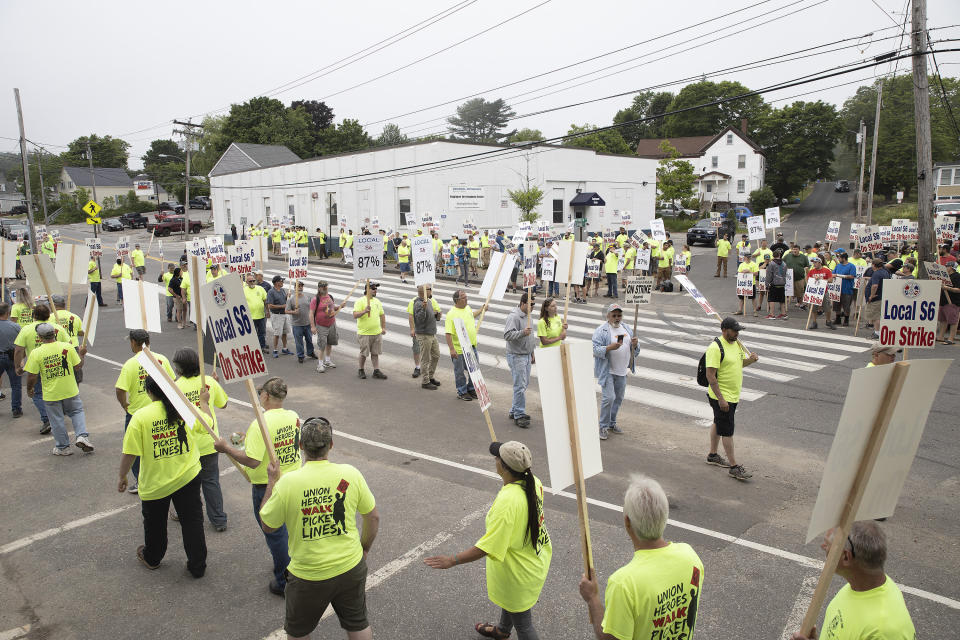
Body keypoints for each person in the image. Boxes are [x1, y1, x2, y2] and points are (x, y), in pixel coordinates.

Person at [256, 417, 379, 639]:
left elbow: (268, 525)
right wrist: (365, 548)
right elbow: (373, 517)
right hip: (350, 565)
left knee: (298, 632)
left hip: (308, 575)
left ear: (300, 446)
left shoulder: (288, 483)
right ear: (331, 445)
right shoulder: (350, 474)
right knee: (358, 624)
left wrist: (272, 481)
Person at [425, 441, 551, 640]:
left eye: (497, 457)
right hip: (533, 558)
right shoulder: (532, 481)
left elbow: (487, 546)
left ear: (504, 467)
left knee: (525, 626)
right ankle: (502, 630)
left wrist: (452, 560)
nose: (495, 459)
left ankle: (504, 629)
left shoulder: (509, 502)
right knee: (510, 603)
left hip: (518, 573)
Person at [578, 474, 704, 640]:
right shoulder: (691, 558)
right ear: (665, 516)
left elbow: (609, 638)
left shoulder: (624, 583)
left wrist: (593, 598)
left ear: (627, 522)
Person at [214, 377, 301, 595]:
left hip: (268, 485)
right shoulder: (293, 416)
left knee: (274, 532)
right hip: (293, 480)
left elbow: (252, 460)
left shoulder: (261, 422)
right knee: (289, 529)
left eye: (261, 393)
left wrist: (226, 448)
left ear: (266, 396)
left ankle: (284, 581)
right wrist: (244, 441)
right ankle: (290, 564)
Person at [118, 376, 207, 578]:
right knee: (192, 521)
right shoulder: (183, 408)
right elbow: (207, 425)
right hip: (188, 475)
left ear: (149, 392)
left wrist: (122, 476)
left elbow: (129, 452)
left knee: (155, 523)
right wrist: (204, 403)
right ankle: (198, 565)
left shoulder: (140, 417)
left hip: (156, 482)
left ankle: (153, 558)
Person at [788, 521, 915, 640]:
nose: (823, 547)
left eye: (828, 546)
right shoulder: (859, 587)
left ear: (846, 557)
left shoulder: (883, 631)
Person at [172, 348, 228, 532]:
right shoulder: (209, 382)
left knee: (186, 482)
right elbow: (223, 404)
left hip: (186, 443)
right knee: (211, 481)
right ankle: (219, 519)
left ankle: (185, 514)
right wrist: (215, 385)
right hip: (210, 442)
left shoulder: (176, 387)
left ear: (179, 368)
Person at [116, 330, 175, 494]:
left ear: (134, 342)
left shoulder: (131, 364)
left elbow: (120, 389)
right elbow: (173, 381)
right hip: (162, 410)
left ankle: (141, 480)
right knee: (162, 445)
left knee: (134, 449)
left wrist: (125, 405)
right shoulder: (161, 359)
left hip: (137, 413)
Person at [24, 322, 92, 456]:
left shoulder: (36, 353)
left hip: (51, 393)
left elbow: (32, 375)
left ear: (39, 337)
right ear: (54, 333)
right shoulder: (66, 347)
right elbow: (78, 366)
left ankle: (63, 447)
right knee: (77, 412)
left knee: (57, 419)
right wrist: (82, 355)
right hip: (70, 389)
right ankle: (82, 436)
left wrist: (29, 388)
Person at [704, 317, 759, 480]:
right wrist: (721, 399)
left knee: (718, 422)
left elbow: (738, 364)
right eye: (734, 331)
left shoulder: (736, 344)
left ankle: (713, 455)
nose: (737, 333)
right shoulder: (715, 348)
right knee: (727, 430)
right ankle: (734, 466)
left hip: (732, 395)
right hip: (721, 396)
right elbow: (710, 375)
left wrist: (751, 360)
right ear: (724, 330)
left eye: (738, 331)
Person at [14, 304, 70, 434]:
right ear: (48, 315)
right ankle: (57, 415)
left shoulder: (27, 329)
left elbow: (18, 350)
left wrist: (18, 366)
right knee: (57, 391)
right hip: (56, 363)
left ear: (34, 316)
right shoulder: (57, 328)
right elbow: (69, 345)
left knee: (37, 393)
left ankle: (46, 418)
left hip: (36, 365)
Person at [592, 303, 640, 441]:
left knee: (618, 398)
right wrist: (608, 348)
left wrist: (636, 345)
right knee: (609, 398)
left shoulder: (627, 328)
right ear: (608, 316)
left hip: (621, 370)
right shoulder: (602, 331)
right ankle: (602, 426)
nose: (617, 318)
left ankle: (612, 423)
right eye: (614, 315)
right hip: (607, 370)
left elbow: (635, 351)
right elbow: (595, 350)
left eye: (619, 315)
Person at [503, 293, 537, 428]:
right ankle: (519, 414)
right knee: (520, 386)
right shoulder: (514, 316)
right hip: (517, 356)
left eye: (534, 304)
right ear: (523, 303)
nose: (533, 307)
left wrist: (532, 352)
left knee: (523, 384)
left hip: (526, 354)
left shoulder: (529, 316)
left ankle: (514, 410)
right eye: (531, 304)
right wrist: (522, 332)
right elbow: (507, 335)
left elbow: (531, 336)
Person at [445, 289, 486, 401]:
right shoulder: (451, 314)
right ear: (457, 300)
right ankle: (462, 391)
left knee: (474, 370)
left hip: (471, 346)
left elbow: (472, 315)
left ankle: (471, 389)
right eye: (464, 297)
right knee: (459, 372)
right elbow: (448, 333)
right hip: (459, 349)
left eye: (466, 296)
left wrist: (482, 310)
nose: (466, 298)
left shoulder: (467, 308)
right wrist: (451, 349)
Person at [409, 285, 443, 390]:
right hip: (424, 335)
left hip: (432, 333)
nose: (431, 290)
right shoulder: (418, 303)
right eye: (429, 289)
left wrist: (437, 315)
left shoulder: (428, 301)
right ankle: (425, 381)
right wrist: (423, 309)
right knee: (425, 359)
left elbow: (430, 315)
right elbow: (419, 319)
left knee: (436, 355)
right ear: (423, 292)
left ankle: (430, 376)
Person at [353, 282, 387, 380]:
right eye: (373, 288)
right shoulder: (360, 301)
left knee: (375, 353)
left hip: (377, 332)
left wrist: (383, 327)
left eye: (376, 288)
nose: (375, 290)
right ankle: (361, 369)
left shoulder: (377, 301)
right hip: (364, 333)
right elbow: (355, 315)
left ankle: (376, 371)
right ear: (367, 290)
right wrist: (364, 311)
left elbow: (382, 315)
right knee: (364, 353)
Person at [309, 281, 342, 373]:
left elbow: (332, 308)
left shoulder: (330, 297)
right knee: (322, 344)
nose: (325, 288)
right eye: (323, 287)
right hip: (321, 325)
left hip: (331, 323)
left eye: (326, 286)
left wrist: (339, 307)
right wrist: (313, 327)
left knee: (330, 342)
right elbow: (311, 313)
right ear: (319, 288)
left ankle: (327, 361)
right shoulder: (315, 299)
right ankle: (320, 364)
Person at [0, 303, 23, 418]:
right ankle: (16, 409)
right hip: (11, 357)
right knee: (16, 384)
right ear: (7, 313)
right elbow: (21, 345)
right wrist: (21, 360)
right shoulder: (16, 326)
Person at [286, 281, 317, 363]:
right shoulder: (291, 299)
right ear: (294, 288)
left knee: (309, 340)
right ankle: (300, 355)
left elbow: (312, 310)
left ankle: (310, 352)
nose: (300, 287)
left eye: (301, 286)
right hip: (297, 324)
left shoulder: (307, 297)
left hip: (307, 323)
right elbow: (286, 311)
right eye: (298, 286)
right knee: (299, 342)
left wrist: (313, 322)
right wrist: (293, 312)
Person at [267, 275, 293, 358]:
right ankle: (275, 350)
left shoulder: (282, 290)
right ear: (276, 282)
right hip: (277, 315)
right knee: (277, 333)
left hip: (284, 314)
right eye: (281, 281)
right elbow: (270, 305)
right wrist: (282, 306)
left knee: (285, 332)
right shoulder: (271, 292)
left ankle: (284, 348)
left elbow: (284, 300)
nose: (283, 282)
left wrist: (287, 296)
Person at [806, 255, 835, 330]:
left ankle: (828, 321)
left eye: (815, 262)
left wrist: (822, 279)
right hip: (815, 292)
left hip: (824, 291)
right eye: (813, 263)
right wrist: (813, 279)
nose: (814, 264)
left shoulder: (826, 270)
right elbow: (808, 280)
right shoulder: (812, 271)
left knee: (827, 308)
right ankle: (814, 322)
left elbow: (831, 280)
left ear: (820, 263)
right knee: (813, 308)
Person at [936, 260, 960, 345]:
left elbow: (958, 289)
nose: (945, 267)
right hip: (943, 301)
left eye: (947, 266)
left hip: (952, 301)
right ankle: (941, 337)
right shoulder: (944, 276)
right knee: (942, 320)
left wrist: (947, 288)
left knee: (953, 320)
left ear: (951, 267)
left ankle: (950, 339)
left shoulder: (957, 276)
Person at [832, 251, 857, 327]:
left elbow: (852, 276)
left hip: (847, 289)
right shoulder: (838, 266)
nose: (838, 259)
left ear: (844, 258)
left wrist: (840, 276)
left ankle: (846, 319)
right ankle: (838, 318)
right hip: (837, 289)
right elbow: (833, 274)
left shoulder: (851, 266)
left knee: (846, 306)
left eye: (839, 258)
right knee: (836, 305)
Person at [244, 273, 268, 351]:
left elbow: (265, 300)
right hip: (250, 316)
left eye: (253, 281)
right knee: (252, 334)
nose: (252, 282)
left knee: (262, 332)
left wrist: (267, 311)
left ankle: (262, 347)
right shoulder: (243, 290)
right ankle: (253, 348)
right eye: (250, 281)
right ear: (247, 282)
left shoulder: (260, 288)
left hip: (261, 315)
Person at [783, 245, 810, 310]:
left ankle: (800, 303)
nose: (794, 251)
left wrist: (807, 269)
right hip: (789, 277)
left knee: (800, 291)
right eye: (793, 249)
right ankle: (783, 304)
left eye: (796, 249)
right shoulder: (788, 256)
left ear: (799, 250)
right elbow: (782, 262)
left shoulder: (803, 257)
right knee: (787, 290)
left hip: (800, 277)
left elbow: (807, 266)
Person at [765, 250, 788, 319]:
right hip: (782, 283)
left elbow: (769, 275)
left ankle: (772, 314)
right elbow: (785, 273)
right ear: (779, 255)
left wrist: (767, 284)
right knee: (782, 299)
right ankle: (784, 314)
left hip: (774, 284)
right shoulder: (784, 263)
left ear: (773, 256)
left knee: (771, 299)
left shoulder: (771, 264)